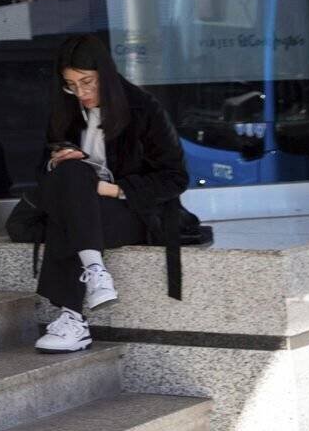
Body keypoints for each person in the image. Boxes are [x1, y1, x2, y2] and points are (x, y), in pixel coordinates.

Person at [30, 34, 189, 354]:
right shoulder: (67, 111)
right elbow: (43, 176)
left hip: (131, 211)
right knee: (72, 174)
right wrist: (56, 162)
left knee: (70, 215)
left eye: (87, 82)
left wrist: (112, 188)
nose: (81, 92)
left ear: (107, 74)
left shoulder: (143, 109)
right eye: (71, 84)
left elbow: (175, 177)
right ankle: (95, 273)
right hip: (83, 211)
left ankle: (73, 317)